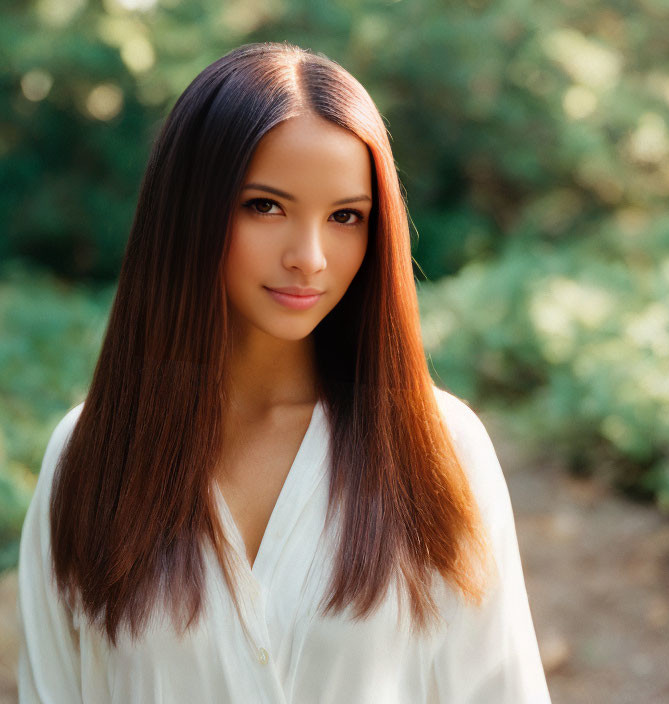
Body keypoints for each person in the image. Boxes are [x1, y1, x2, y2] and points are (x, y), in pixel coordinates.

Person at [16, 42, 551, 703]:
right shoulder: (92, 456)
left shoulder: (439, 447)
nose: (310, 257)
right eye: (265, 206)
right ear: (190, 210)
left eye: (346, 217)